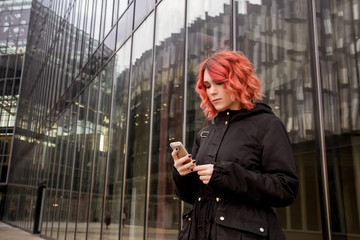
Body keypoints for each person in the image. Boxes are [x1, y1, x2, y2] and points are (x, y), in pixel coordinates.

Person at [171, 51, 298, 240]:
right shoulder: (206, 133)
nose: (212, 91)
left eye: (219, 83)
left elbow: (285, 189)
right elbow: (192, 196)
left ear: (238, 80)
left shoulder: (267, 125)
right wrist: (182, 175)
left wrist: (227, 175)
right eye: (207, 86)